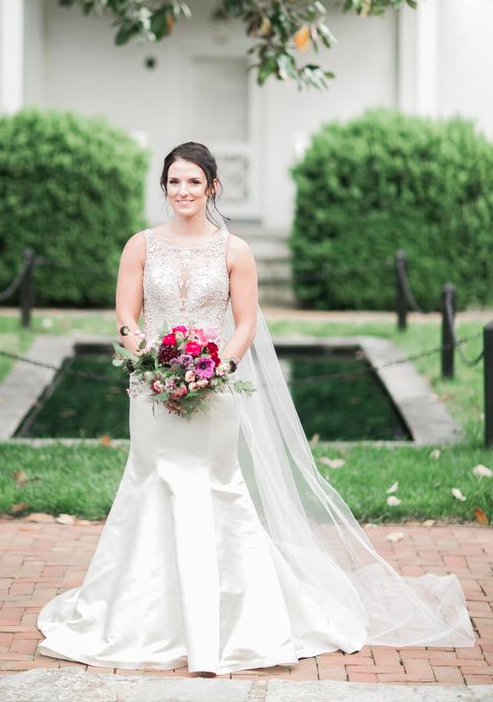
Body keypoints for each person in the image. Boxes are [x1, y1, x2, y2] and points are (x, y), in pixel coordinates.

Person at [36, 141, 474, 676]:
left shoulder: (234, 251)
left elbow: (244, 323)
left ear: (212, 187)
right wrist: (146, 357)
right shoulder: (140, 246)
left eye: (194, 182)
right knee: (148, 486)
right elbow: (127, 314)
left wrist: (216, 367)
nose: (183, 191)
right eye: (174, 182)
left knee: (218, 491)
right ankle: (141, 618)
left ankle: (238, 623)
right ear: (164, 188)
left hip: (214, 388)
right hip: (150, 391)